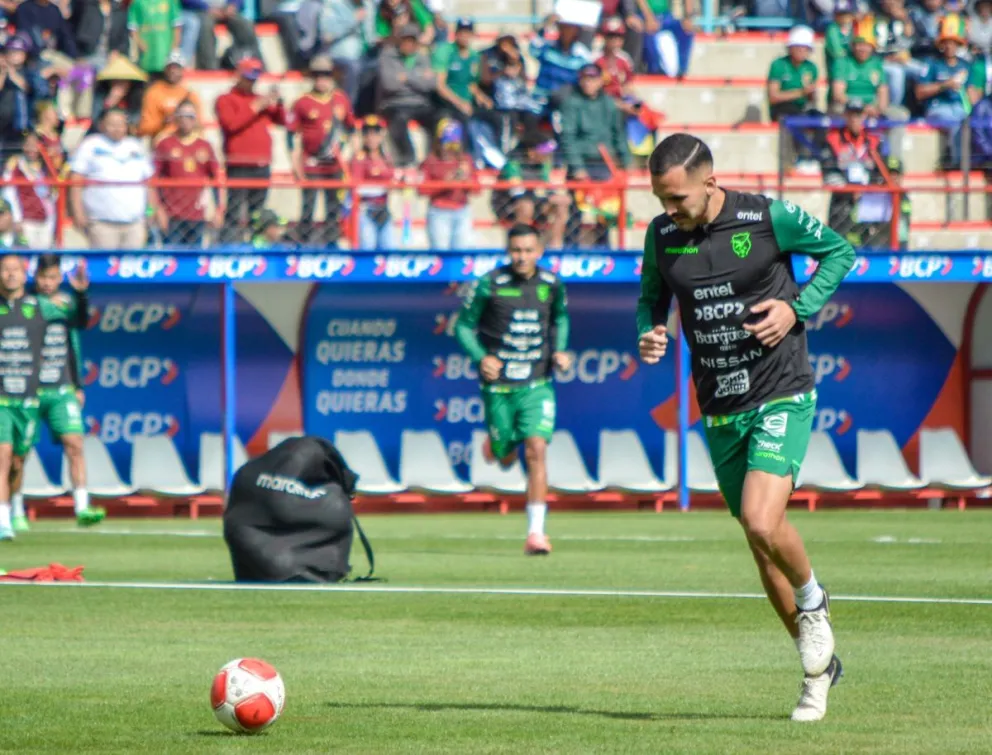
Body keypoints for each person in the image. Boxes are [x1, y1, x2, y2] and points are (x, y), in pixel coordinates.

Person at [636, 134, 853, 721]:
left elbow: (840, 251)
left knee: (762, 519)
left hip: (781, 390)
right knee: (760, 545)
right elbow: (651, 297)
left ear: (710, 182)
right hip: (719, 406)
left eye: (677, 197)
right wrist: (650, 331)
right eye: (659, 198)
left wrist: (797, 307)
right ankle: (817, 672)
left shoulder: (767, 215)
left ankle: (814, 603)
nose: (668, 210)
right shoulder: (661, 235)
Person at [454, 223, 572, 555]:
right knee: (506, 456)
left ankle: (536, 533)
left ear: (540, 251)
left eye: (528, 251)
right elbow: (462, 327)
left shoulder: (551, 284)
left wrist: (560, 350)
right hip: (499, 387)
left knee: (536, 448)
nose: (521, 257)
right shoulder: (489, 283)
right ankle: (499, 444)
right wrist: (481, 358)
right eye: (516, 251)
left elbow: (560, 318)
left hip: (537, 383)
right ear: (509, 251)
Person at [17, 255, 105, 531]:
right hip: (28, 389)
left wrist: (81, 293)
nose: (47, 283)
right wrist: (44, 305)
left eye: (53, 277)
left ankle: (82, 506)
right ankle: (15, 508)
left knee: (75, 444)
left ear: (59, 278)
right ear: (35, 277)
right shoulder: (25, 304)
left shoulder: (66, 303)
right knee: (19, 453)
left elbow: (80, 321)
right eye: (43, 277)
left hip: (61, 388)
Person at [215, 57, 286, 242]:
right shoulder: (226, 99)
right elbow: (231, 124)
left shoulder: (259, 99)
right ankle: (227, 249)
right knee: (234, 211)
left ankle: (257, 247)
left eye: (254, 79)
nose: (251, 82)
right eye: (247, 78)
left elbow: (283, 120)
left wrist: (278, 102)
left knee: (258, 213)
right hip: (238, 165)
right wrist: (256, 106)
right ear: (238, 76)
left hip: (261, 165)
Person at [69, 107, 157, 248]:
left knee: (131, 266)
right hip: (101, 224)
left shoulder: (136, 146)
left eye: (121, 124)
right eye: (112, 124)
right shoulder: (90, 145)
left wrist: (150, 211)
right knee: (103, 267)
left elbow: (149, 183)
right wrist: (78, 212)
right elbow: (76, 180)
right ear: (102, 125)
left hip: (135, 223)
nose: (117, 128)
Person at [289, 55, 353, 247]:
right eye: (317, 75)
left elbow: (351, 128)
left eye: (325, 75)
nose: (321, 79)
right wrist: (295, 163)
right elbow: (292, 136)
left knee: (333, 206)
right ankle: (304, 243)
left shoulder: (340, 99)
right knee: (308, 206)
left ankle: (331, 244)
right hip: (311, 163)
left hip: (334, 163)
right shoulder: (302, 102)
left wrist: (349, 157)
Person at [152, 98, 224, 246]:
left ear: (196, 119)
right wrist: (158, 210)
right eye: (182, 116)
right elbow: (153, 181)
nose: (186, 120)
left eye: (190, 116)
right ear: (176, 118)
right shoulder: (165, 144)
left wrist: (219, 210)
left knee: (194, 260)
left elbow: (218, 180)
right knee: (171, 261)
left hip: (197, 215)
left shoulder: (205, 146)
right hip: (171, 215)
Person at [376, 22, 436, 167]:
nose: (409, 44)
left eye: (412, 41)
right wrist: (418, 77)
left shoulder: (423, 58)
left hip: (420, 103)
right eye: (406, 40)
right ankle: (407, 159)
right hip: (395, 104)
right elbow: (390, 84)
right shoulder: (387, 56)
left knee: (440, 119)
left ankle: (434, 160)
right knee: (399, 120)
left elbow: (430, 85)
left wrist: (406, 77)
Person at [419, 118, 476, 250]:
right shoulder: (430, 161)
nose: (450, 148)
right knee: (440, 254)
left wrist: (467, 178)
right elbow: (421, 190)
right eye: (446, 142)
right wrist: (446, 182)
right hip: (439, 212)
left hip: (462, 211)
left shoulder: (465, 160)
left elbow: (477, 190)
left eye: (453, 143)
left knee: (461, 255)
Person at [2, 130, 57, 248]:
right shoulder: (15, 165)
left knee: (45, 254)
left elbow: (51, 196)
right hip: (26, 221)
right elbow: (9, 193)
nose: (32, 148)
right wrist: (16, 219)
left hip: (46, 221)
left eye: (36, 144)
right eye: (28, 144)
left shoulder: (46, 167)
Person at [349, 114, 395, 250]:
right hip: (366, 209)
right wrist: (381, 185)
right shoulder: (359, 158)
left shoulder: (386, 158)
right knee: (367, 248)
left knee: (389, 248)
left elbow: (393, 179)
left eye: (375, 133)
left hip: (384, 209)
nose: (371, 137)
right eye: (367, 133)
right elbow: (357, 186)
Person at [137, 50, 203, 140]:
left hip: (186, 138)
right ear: (165, 69)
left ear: (182, 70)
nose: (173, 71)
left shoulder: (190, 94)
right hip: (163, 138)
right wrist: (163, 122)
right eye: (170, 67)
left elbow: (198, 124)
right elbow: (145, 127)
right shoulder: (154, 92)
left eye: (177, 68)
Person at [127, 0, 182, 77]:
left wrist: (174, 47)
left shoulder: (171, 1)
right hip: (146, 58)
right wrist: (140, 44)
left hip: (165, 54)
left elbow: (177, 27)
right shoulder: (137, 2)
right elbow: (133, 28)